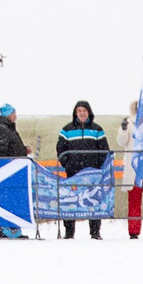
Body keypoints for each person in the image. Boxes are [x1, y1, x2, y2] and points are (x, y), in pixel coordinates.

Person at [55, 100, 108, 240]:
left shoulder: (97, 129)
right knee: (70, 199)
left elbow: (104, 150)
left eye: (84, 110)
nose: (82, 113)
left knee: (93, 199)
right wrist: (67, 164)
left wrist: (98, 166)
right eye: (79, 111)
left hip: (92, 173)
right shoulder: (67, 129)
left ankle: (95, 231)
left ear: (89, 112)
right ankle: (69, 232)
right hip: (73, 172)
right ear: (75, 113)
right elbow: (60, 149)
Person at [0, 106, 27, 239]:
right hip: (7, 170)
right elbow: (1, 149)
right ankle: (5, 229)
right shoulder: (0, 128)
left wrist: (22, 150)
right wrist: (18, 153)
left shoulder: (6, 128)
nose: (15, 116)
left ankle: (11, 229)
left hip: (11, 169)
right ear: (8, 115)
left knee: (11, 199)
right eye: (14, 113)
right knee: (6, 199)